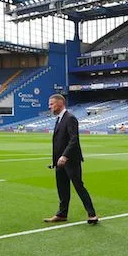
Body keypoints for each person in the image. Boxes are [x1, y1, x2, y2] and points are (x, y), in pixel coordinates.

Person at [44, 94, 98, 225]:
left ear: (60, 103)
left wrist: (65, 155)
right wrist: (55, 160)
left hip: (71, 160)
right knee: (62, 188)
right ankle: (62, 214)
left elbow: (74, 140)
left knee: (79, 186)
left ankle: (92, 214)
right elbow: (59, 142)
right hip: (60, 162)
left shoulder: (70, 118)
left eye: (51, 104)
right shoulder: (58, 119)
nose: (49, 106)